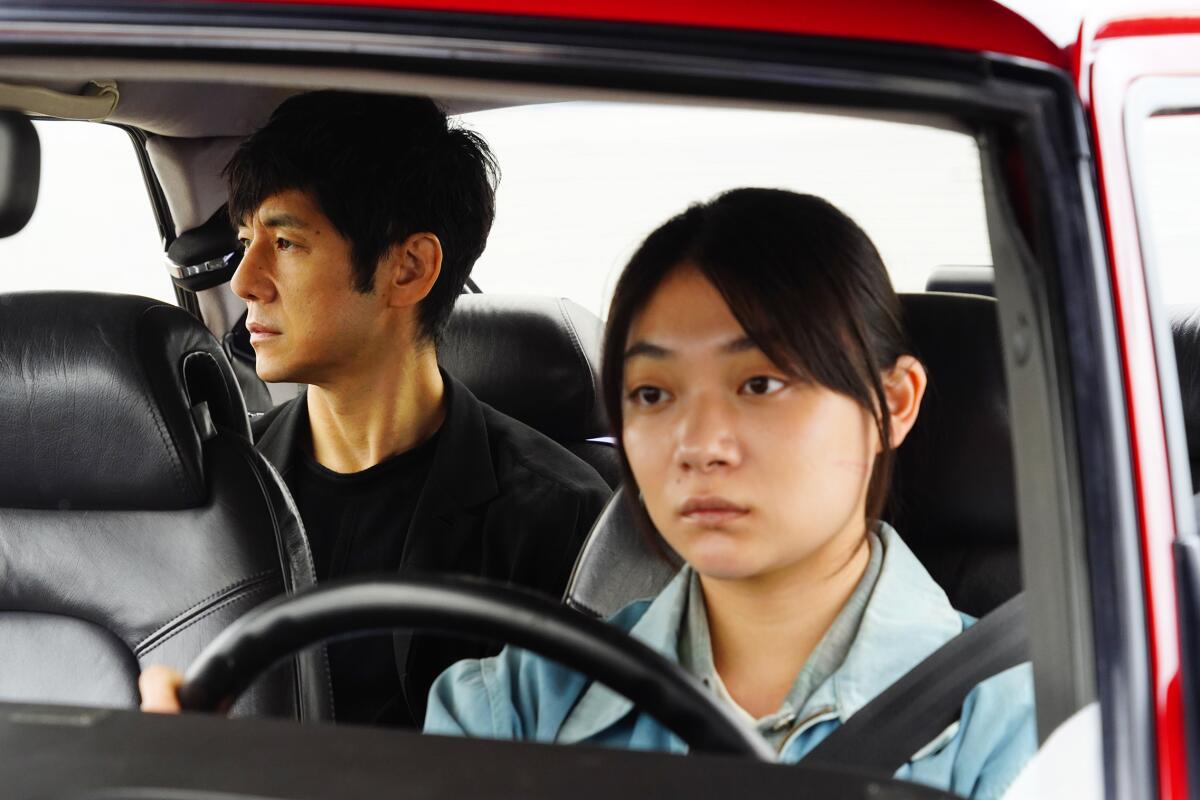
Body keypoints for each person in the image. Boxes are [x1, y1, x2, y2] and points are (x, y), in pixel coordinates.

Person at [422, 189, 1036, 799]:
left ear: (892, 405)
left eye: (761, 383)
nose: (698, 445)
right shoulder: (509, 709)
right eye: (653, 394)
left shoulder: (1021, 732)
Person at [140, 91, 611, 728]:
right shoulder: (218, 489)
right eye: (247, 240)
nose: (244, 279)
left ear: (409, 269)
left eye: (286, 242)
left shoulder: (556, 513)